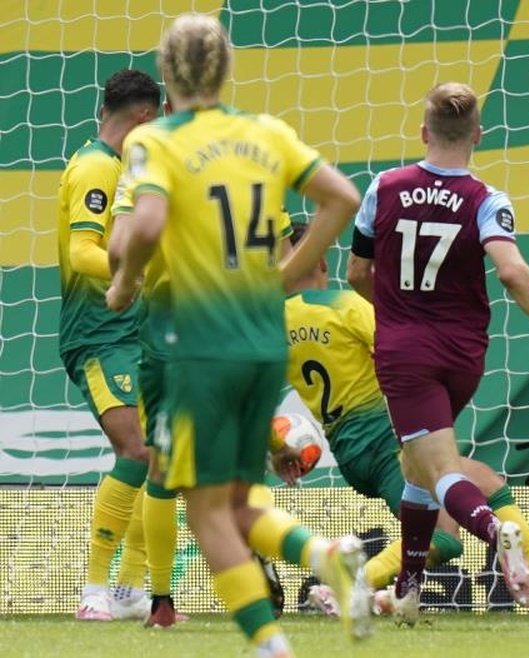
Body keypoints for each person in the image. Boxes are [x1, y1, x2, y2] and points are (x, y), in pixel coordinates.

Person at [106, 14, 367, 654]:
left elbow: (143, 227)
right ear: (226, 70)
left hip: (198, 342)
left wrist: (124, 283)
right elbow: (343, 198)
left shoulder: (157, 141)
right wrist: (287, 272)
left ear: (168, 74)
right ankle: (316, 563)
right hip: (263, 339)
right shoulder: (267, 133)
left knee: (204, 508)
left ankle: (278, 628)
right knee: (238, 497)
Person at [282, 223, 529, 616]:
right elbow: (400, 351)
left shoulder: (274, 323)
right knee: (445, 537)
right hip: (387, 439)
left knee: (487, 482)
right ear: (323, 260)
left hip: (348, 446)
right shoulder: (344, 306)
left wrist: (280, 448)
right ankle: (349, 586)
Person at [346, 81, 529, 624]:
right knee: (416, 468)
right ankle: (407, 589)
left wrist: (396, 306)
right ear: (478, 134)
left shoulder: (384, 187)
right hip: (465, 355)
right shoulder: (486, 200)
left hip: (406, 352)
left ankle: (494, 531)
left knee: (439, 468)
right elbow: (510, 270)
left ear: (424, 131)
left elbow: (357, 272)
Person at [108, 172, 296, 626]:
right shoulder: (255, 164)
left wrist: (124, 282)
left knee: (161, 468)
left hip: (170, 329)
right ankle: (303, 553)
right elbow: (288, 264)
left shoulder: (153, 163)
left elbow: (121, 245)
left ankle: (161, 602)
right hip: (235, 328)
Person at [56, 68, 161, 621]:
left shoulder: (117, 168)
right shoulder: (98, 166)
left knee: (157, 456)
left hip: (130, 332)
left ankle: (129, 589)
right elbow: (82, 254)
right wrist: (136, 278)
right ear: (145, 116)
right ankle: (95, 589)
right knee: (138, 450)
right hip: (99, 333)